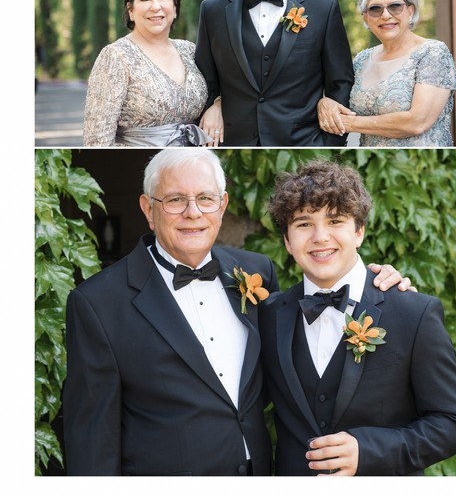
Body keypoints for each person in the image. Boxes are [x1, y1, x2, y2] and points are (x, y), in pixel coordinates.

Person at [62, 149, 408, 476]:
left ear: (222, 205)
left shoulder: (255, 272)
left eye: (206, 198)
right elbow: (92, 438)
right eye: (175, 200)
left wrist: (376, 287)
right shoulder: (97, 303)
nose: (193, 212)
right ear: (148, 209)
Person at [261, 159, 456, 475]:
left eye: (335, 221)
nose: (320, 237)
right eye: (304, 224)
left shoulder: (413, 313)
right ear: (288, 241)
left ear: (359, 231)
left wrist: (369, 451)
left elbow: (455, 424)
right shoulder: (269, 315)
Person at [194, 0, 353, 146]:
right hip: (231, 144)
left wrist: (329, 143)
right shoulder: (212, 10)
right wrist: (212, 107)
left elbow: (340, 82)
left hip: (303, 144)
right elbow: (204, 80)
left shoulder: (324, 9)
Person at [318, 0, 456, 147]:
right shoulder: (361, 60)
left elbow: (417, 122)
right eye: (375, 9)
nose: (385, 15)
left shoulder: (433, 53)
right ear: (366, 18)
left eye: (395, 6)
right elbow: (340, 101)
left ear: (410, 10)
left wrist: (347, 123)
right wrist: (325, 103)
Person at [83, 0, 210, 147]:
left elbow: (221, 88)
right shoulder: (116, 56)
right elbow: (96, 139)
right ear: (131, 10)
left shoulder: (189, 51)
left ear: (175, 8)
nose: (155, 6)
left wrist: (217, 106)